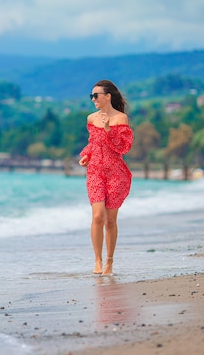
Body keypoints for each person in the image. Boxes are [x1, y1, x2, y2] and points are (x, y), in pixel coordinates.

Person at [78, 80, 133, 276]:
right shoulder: (91, 118)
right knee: (97, 216)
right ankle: (98, 261)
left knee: (110, 220)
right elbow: (93, 143)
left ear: (107, 96)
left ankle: (109, 261)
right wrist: (86, 155)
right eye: (91, 96)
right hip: (95, 172)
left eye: (96, 95)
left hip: (115, 173)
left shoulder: (120, 119)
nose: (93, 99)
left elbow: (122, 148)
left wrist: (109, 130)